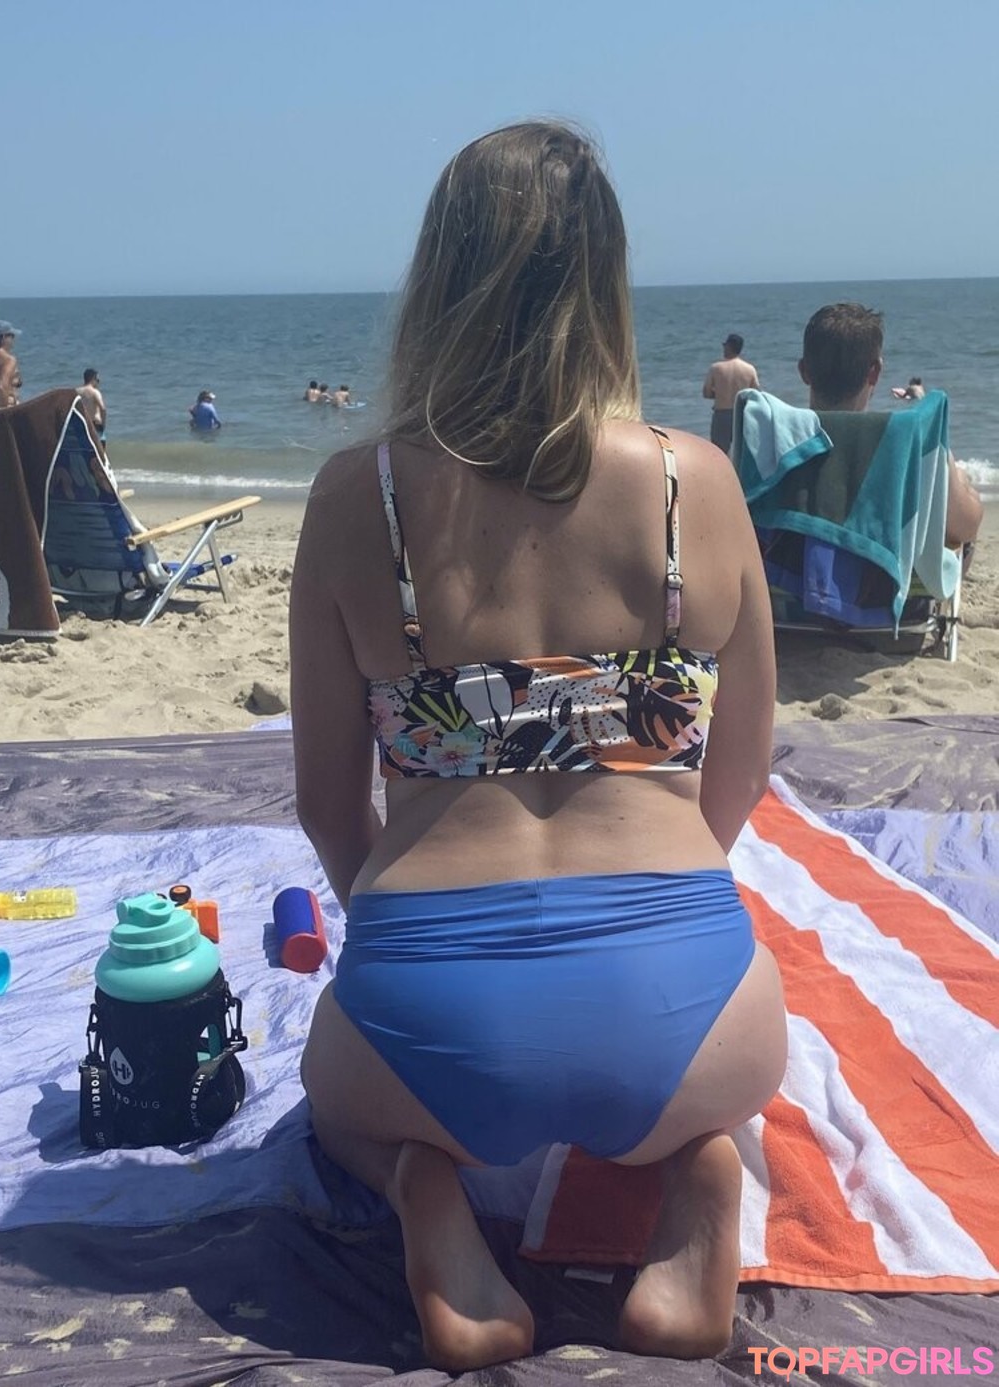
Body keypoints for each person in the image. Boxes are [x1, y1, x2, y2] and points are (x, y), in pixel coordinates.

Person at [290, 122, 786, 1372]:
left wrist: (402, 938)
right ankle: (693, 1163)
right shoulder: (695, 483)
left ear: (439, 280)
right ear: (605, 280)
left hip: (427, 1004)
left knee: (338, 1107)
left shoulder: (358, 496)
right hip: (686, 1002)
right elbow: (740, 773)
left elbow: (328, 807)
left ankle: (423, 1185)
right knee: (716, 1092)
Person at [798, 304, 982, 548]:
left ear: (804, 371)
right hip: (885, 572)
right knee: (959, 531)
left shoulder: (779, 442)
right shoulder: (903, 442)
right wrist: (960, 480)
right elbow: (966, 526)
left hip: (790, 567)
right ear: (875, 372)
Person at [701, 334, 758, 453]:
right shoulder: (750, 369)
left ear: (729, 347)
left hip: (722, 414)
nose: (723, 349)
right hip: (742, 414)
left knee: (719, 452)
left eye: (725, 346)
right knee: (741, 453)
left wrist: (719, 394)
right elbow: (755, 394)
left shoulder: (716, 368)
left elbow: (706, 392)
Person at [78, 368, 107, 444]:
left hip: (82, 425)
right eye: (97, 380)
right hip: (95, 425)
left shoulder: (76, 392)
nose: (98, 382)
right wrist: (103, 425)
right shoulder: (94, 392)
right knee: (99, 449)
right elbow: (103, 408)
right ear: (92, 379)